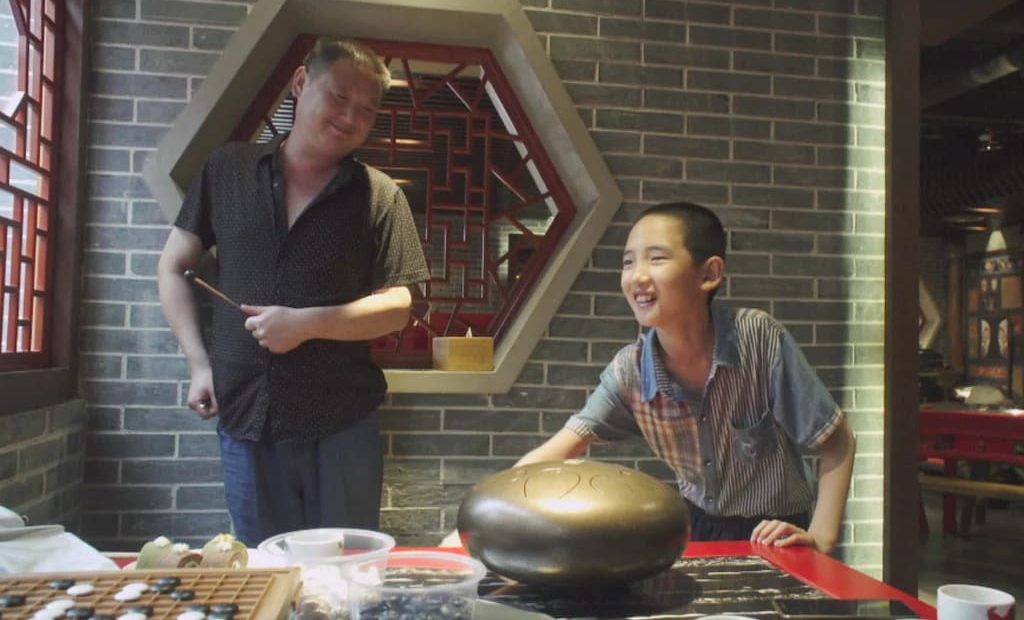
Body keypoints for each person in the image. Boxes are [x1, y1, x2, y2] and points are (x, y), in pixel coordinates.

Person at [445, 201, 856, 554]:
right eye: (628, 261)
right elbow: (557, 451)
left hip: (778, 531)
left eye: (656, 258)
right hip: (694, 527)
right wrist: (474, 527)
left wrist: (820, 538)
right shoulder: (629, 371)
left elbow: (838, 441)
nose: (637, 276)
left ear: (709, 273)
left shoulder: (758, 340)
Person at [157, 38, 430, 547]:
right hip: (245, 417)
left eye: (366, 110)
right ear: (302, 83)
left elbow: (400, 304)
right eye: (339, 97)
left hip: (342, 422)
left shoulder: (380, 195)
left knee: (348, 574)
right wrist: (199, 365)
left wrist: (304, 324)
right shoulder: (227, 170)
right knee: (266, 570)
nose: (350, 117)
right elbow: (174, 268)